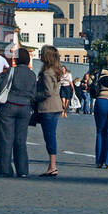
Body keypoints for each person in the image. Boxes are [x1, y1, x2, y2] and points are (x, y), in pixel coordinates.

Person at [0, 47, 37, 177]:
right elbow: (34, 94)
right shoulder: (32, 74)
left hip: (9, 106)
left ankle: (6, 169)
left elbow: (3, 87)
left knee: (6, 139)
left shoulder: (11, 71)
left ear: (16, 59)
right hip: (25, 108)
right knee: (21, 139)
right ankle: (23, 170)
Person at [35, 46, 64, 177]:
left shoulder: (47, 73)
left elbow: (48, 92)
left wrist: (35, 96)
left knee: (49, 136)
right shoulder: (55, 70)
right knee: (51, 135)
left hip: (48, 107)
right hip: (56, 106)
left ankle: (52, 166)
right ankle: (52, 165)